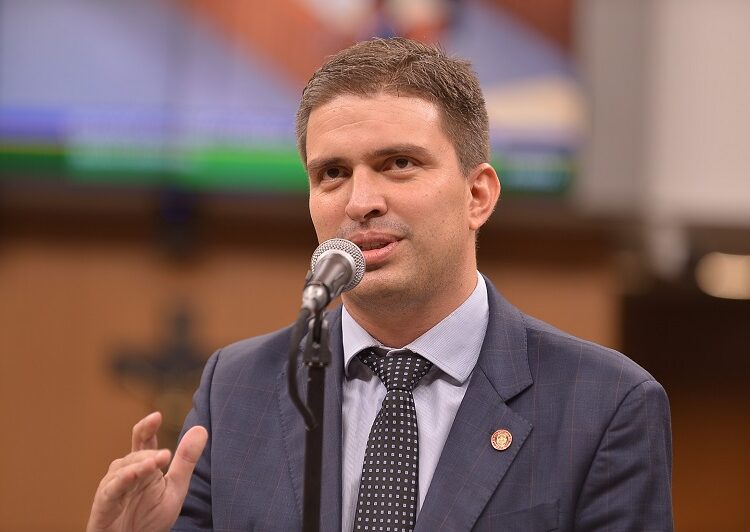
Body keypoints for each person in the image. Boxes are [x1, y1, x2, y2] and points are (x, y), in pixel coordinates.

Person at [88, 37, 673, 532]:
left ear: (478, 195)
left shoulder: (607, 404)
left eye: (399, 163)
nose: (361, 202)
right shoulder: (237, 389)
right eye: (332, 173)